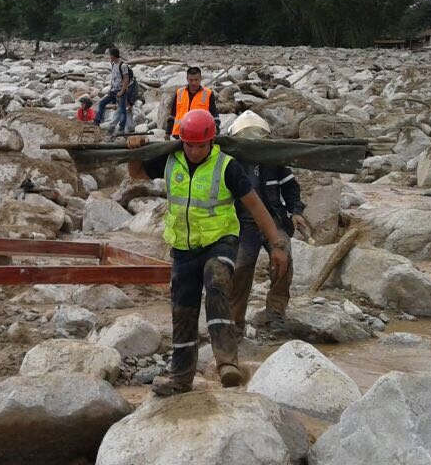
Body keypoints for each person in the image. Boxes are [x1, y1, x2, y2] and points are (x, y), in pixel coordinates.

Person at [124, 109, 289, 396]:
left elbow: (255, 205)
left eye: (202, 145)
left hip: (220, 240)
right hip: (184, 247)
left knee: (217, 281)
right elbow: (136, 172)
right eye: (190, 145)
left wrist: (276, 245)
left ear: (212, 142)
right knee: (183, 310)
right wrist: (134, 150)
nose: (196, 150)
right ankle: (181, 378)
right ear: (182, 141)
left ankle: (227, 362)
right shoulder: (170, 158)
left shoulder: (227, 166)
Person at [225, 111, 308, 337]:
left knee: (284, 262)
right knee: (240, 267)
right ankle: (235, 322)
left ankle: (276, 316)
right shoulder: (231, 162)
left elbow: (291, 188)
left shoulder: (274, 160)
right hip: (242, 224)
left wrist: (296, 211)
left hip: (274, 219)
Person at [166, 66, 220, 138]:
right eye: (191, 80)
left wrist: (216, 129)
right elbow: (173, 115)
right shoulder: (179, 93)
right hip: (179, 134)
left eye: (196, 80)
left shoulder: (208, 94)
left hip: (199, 134)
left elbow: (214, 115)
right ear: (187, 79)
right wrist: (167, 133)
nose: (193, 83)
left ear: (201, 79)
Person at [93, 48, 137, 134]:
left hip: (120, 91)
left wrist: (122, 91)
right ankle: (96, 123)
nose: (109, 57)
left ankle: (121, 128)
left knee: (122, 110)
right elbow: (113, 78)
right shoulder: (113, 64)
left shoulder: (123, 65)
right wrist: (110, 89)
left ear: (113, 55)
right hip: (113, 91)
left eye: (110, 55)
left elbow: (126, 79)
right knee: (102, 103)